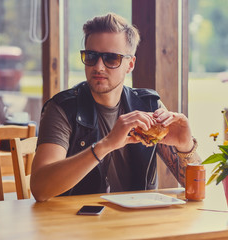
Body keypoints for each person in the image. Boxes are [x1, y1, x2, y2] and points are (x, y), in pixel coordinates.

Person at [30, 13, 201, 202]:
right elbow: (40, 189)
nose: (99, 67)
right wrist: (106, 145)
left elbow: (196, 189)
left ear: (130, 64)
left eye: (111, 58)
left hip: (138, 224)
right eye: (91, 56)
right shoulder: (63, 108)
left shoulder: (149, 105)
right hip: (78, 224)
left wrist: (185, 147)